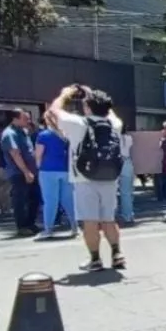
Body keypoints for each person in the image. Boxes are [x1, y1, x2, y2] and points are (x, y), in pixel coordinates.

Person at [48, 85, 126, 271]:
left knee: (90, 220)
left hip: (84, 177)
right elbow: (112, 114)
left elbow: (54, 110)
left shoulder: (78, 123)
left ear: (87, 107)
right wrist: (95, 95)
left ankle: (95, 259)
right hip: (109, 177)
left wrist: (65, 93)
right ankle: (117, 254)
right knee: (109, 219)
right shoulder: (114, 125)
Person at [34, 114, 76, 240]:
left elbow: (39, 154)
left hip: (48, 170)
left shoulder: (43, 135)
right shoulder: (66, 135)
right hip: (65, 170)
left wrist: (38, 166)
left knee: (50, 201)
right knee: (68, 200)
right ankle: (75, 227)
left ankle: (49, 229)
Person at [0, 109, 40, 236]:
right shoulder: (9, 134)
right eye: (25, 118)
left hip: (32, 171)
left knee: (34, 198)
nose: (28, 121)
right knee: (20, 200)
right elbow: (15, 154)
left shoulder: (23, 132)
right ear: (15, 119)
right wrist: (26, 171)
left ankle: (30, 223)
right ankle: (22, 226)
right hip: (19, 172)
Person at [118, 130, 136, 225]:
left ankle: (110, 216)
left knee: (111, 192)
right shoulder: (129, 138)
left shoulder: (113, 137)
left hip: (114, 162)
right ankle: (128, 215)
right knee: (127, 193)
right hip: (127, 161)